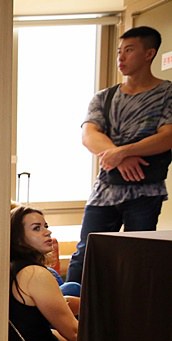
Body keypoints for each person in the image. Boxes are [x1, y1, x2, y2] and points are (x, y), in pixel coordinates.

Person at [67, 26, 172, 285]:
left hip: (146, 190)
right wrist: (120, 158)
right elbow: (89, 135)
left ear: (149, 53)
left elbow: (167, 136)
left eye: (129, 50)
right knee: (86, 254)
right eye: (118, 51)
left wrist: (123, 152)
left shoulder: (166, 93)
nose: (121, 57)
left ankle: (132, 309)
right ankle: (70, 305)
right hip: (105, 189)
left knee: (139, 257)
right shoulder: (105, 97)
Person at [9, 206, 78, 341]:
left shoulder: (11, 268)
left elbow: (34, 330)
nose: (47, 232)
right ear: (18, 238)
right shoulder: (35, 273)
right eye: (36, 228)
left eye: (45, 226)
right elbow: (73, 333)